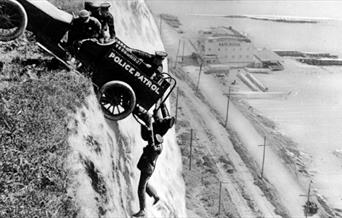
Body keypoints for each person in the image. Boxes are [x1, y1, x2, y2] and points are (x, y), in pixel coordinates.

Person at [132, 105, 175, 217]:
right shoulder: (160, 141)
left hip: (147, 168)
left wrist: (149, 127)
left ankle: (142, 210)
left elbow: (151, 138)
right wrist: (162, 105)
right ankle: (156, 197)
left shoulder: (155, 147)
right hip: (149, 167)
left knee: (141, 188)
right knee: (145, 184)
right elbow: (164, 117)